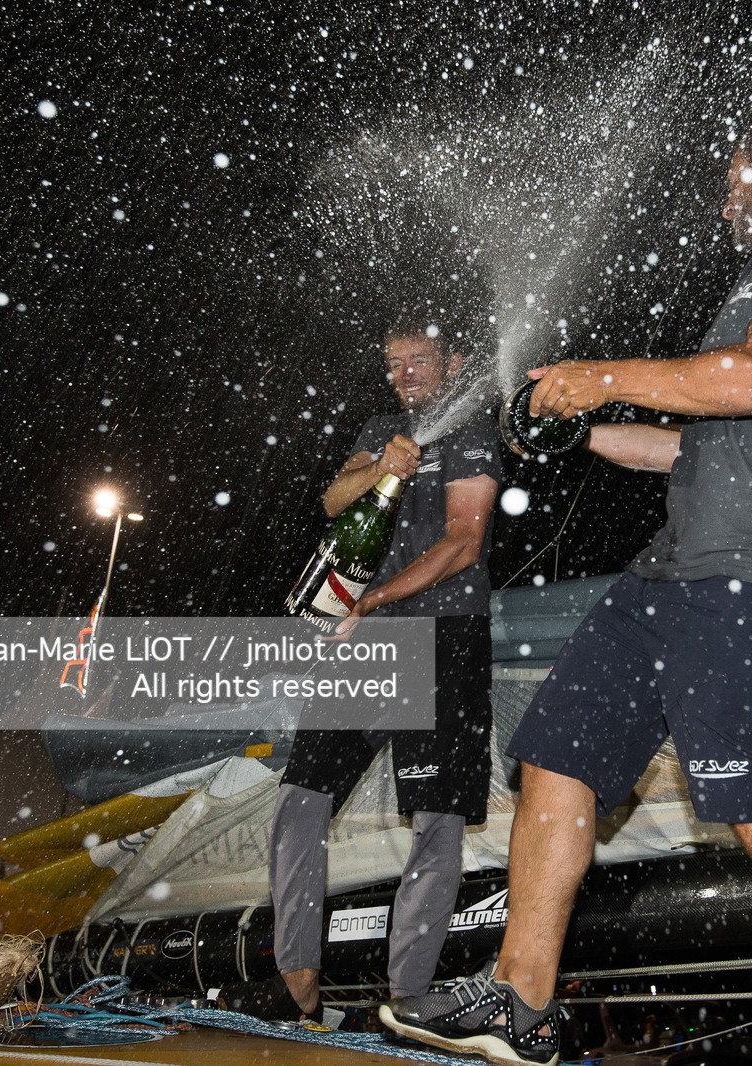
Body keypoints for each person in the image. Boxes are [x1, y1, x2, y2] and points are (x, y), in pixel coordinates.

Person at [381, 120, 752, 1066]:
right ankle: (520, 1003)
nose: (722, 202)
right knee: (558, 755)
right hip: (667, 574)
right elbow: (689, 446)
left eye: (732, 178)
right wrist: (575, 429)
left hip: (745, 576)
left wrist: (600, 376)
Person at [227, 304, 503, 1022]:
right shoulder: (379, 432)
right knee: (299, 803)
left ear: (453, 364)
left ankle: (407, 996)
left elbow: (462, 545)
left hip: (442, 638)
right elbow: (333, 499)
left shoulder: (471, 427)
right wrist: (382, 465)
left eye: (419, 359)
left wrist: (373, 600)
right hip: (368, 645)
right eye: (394, 363)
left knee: (435, 820)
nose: (405, 374)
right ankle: (298, 983)